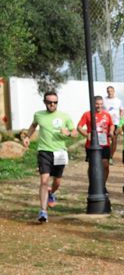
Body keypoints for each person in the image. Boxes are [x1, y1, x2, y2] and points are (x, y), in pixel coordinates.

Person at [22, 91, 76, 223]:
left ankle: (52, 193)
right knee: (44, 181)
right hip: (44, 151)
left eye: (55, 102)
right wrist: (28, 137)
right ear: (45, 102)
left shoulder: (64, 116)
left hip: (59, 152)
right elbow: (33, 125)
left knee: (57, 182)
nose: (52, 104)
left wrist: (68, 133)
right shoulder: (39, 115)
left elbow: (74, 132)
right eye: (50, 102)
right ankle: (43, 211)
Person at [78, 96, 114, 189]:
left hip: (104, 143)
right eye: (97, 104)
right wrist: (87, 135)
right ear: (93, 104)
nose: (99, 106)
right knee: (92, 165)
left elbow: (112, 125)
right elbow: (79, 127)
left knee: (105, 165)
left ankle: (102, 185)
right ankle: (92, 185)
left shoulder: (107, 114)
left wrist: (111, 131)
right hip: (92, 144)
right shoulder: (87, 114)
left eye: (101, 104)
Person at [104, 86, 124, 159]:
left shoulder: (118, 100)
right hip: (105, 123)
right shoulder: (104, 100)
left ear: (114, 91)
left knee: (114, 140)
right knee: (106, 140)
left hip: (115, 122)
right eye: (108, 91)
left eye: (111, 91)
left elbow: (122, 110)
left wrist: (120, 119)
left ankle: (111, 156)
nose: (110, 92)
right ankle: (106, 155)